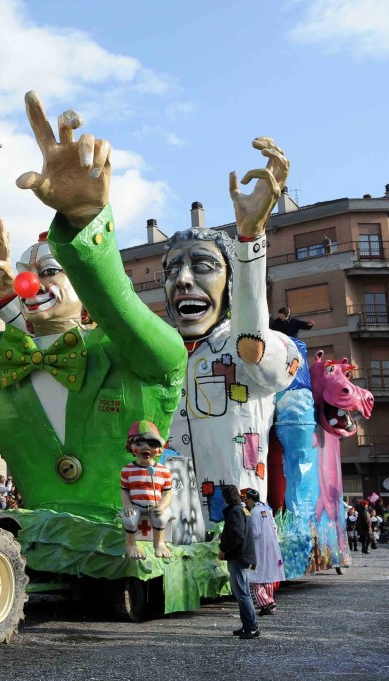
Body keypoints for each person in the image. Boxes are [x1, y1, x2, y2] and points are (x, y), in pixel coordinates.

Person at [0, 94, 186, 524]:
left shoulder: (137, 356)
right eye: (25, 272)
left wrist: (84, 220)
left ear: (83, 286)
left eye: (49, 271)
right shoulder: (5, 372)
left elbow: (119, 308)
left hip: (130, 542)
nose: (29, 282)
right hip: (32, 550)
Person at [161, 139, 299, 534]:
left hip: (239, 519)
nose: (183, 280)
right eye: (172, 269)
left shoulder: (253, 347)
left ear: (232, 282)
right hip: (175, 520)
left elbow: (252, 345)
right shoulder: (159, 352)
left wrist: (250, 239)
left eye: (203, 266)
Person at [120, 420, 173, 560]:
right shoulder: (127, 470)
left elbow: (168, 493)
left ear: (159, 448)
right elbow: (124, 490)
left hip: (155, 505)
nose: (145, 447)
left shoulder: (164, 471)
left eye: (152, 444)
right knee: (130, 519)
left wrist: (162, 506)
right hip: (136, 506)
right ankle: (130, 544)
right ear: (130, 446)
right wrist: (128, 504)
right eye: (138, 443)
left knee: (160, 518)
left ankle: (159, 543)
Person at [218, 485, 258, 639]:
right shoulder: (244, 510)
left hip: (238, 556)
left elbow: (237, 534)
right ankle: (248, 624)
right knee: (245, 592)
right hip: (245, 554)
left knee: (241, 593)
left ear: (225, 498)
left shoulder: (234, 511)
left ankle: (251, 627)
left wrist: (224, 548)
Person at [242, 488, 284, 616]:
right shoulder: (266, 510)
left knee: (254, 578)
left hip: (258, 550)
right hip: (270, 549)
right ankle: (270, 603)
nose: (245, 502)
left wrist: (245, 533)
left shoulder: (255, 512)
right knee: (268, 577)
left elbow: (255, 532)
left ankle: (266, 602)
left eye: (246, 499)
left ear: (250, 499)